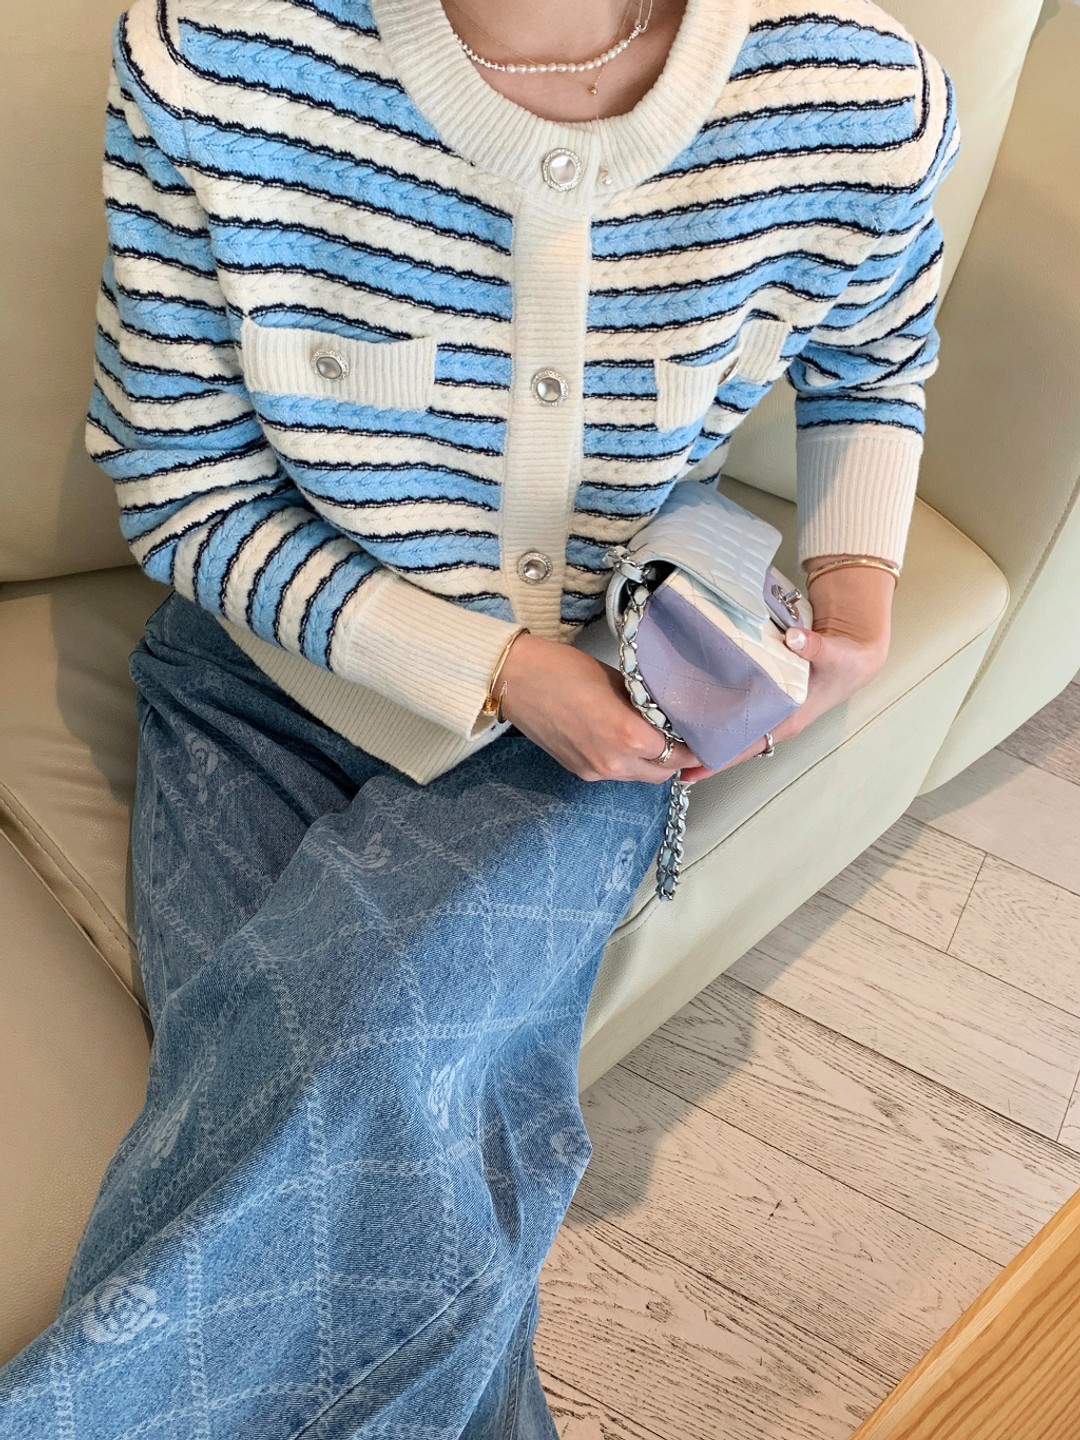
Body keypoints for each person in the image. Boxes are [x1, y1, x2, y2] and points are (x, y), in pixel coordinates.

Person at [0, 0, 959, 1434]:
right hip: (262, 676)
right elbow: (184, 490)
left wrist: (853, 589)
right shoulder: (212, 60)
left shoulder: (853, 94)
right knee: (370, 1131)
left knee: (356, 1052)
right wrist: (500, 667)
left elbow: (875, 354)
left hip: (612, 707)